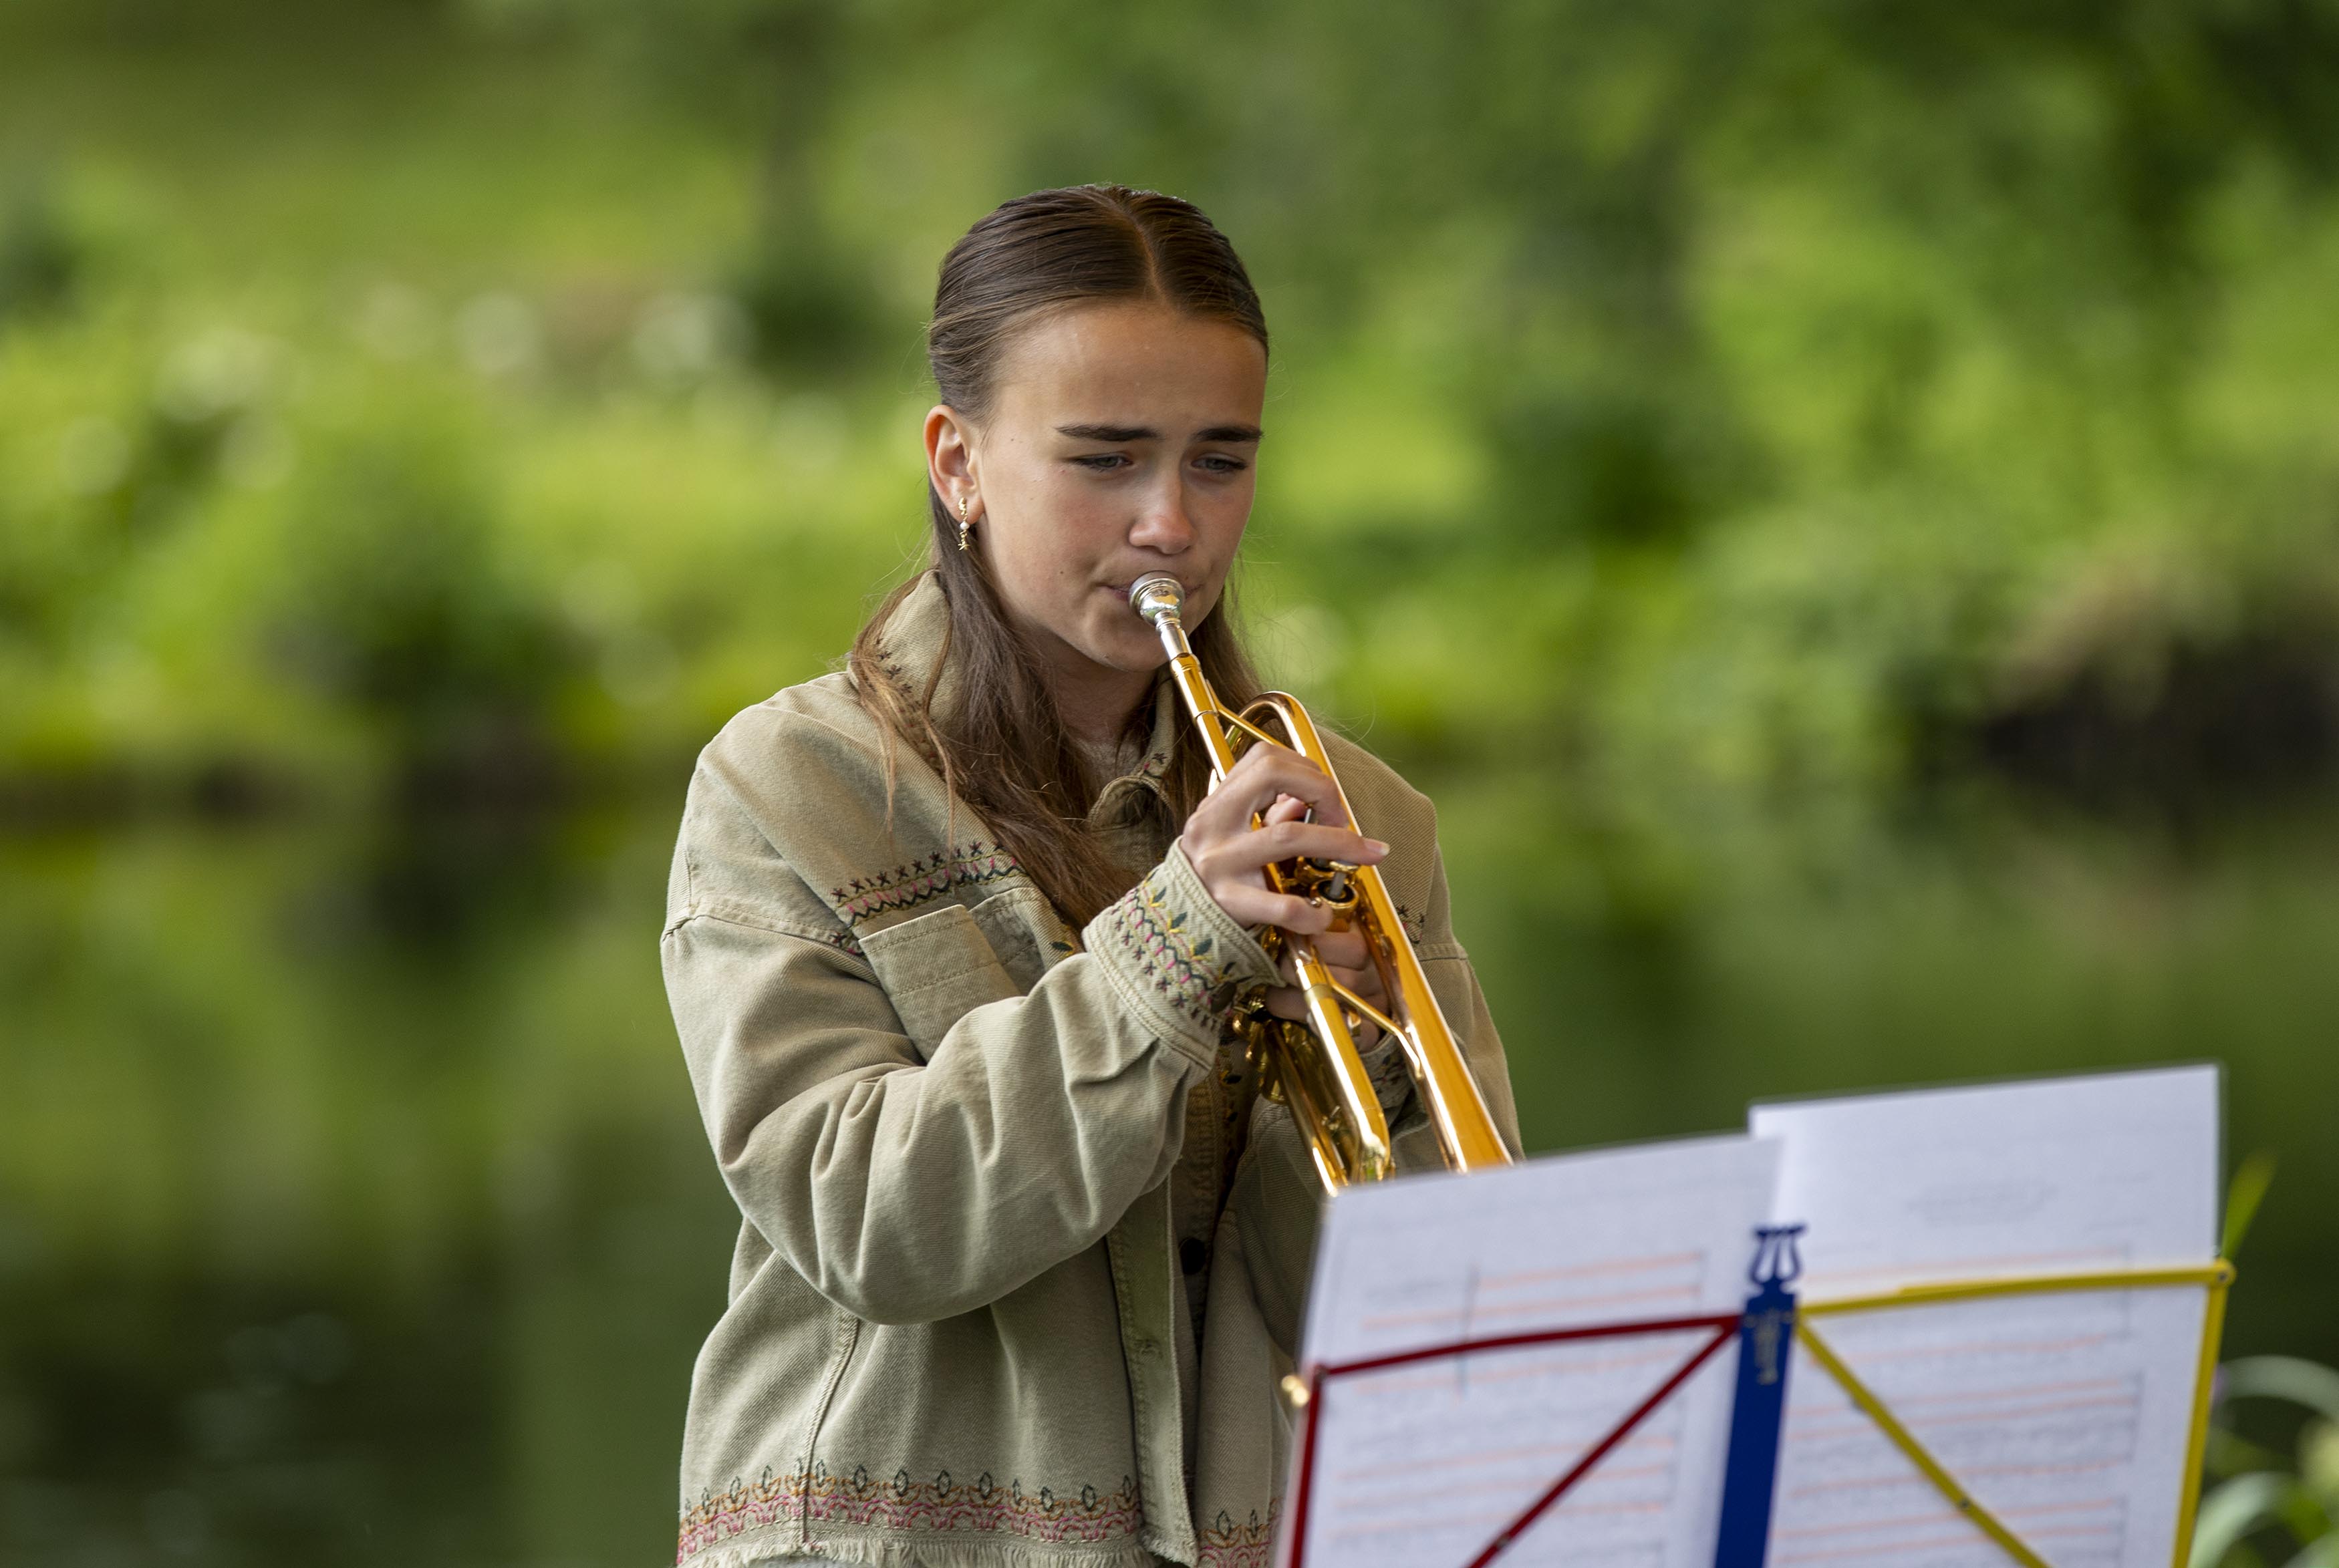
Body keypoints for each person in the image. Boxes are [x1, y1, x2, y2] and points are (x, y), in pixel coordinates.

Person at [660, 183, 1522, 1568]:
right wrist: (1175, 953)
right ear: (958, 461)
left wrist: (1361, 1044)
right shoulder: (787, 788)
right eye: (1106, 459)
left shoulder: (1355, 818)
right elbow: (871, 1224)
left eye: (1219, 462)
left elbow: (1437, 1324)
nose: (1172, 523)